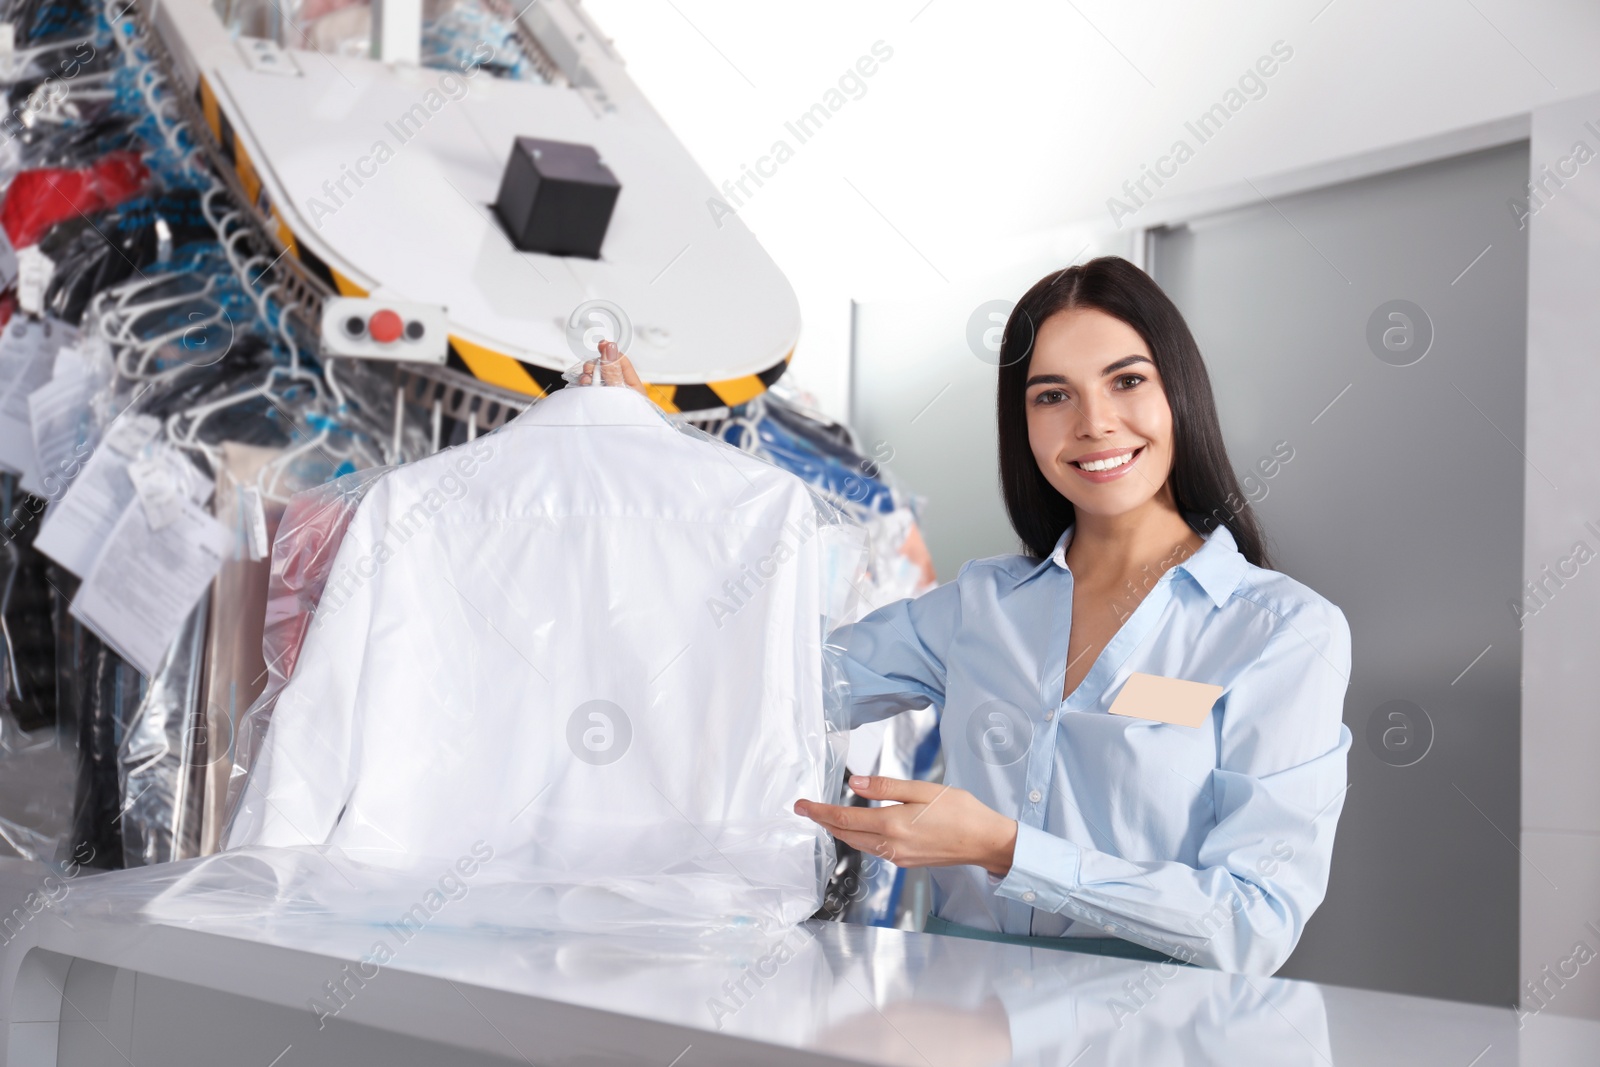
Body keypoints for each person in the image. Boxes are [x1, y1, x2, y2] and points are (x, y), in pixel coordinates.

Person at [584, 256, 1352, 974]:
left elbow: (1255, 918)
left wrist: (1004, 848)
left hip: (1157, 1038)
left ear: (1179, 390)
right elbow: (770, 681)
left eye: (1126, 381)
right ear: (1023, 422)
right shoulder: (980, 605)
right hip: (964, 1019)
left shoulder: (1282, 633)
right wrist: (661, 463)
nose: (1094, 422)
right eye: (1053, 395)